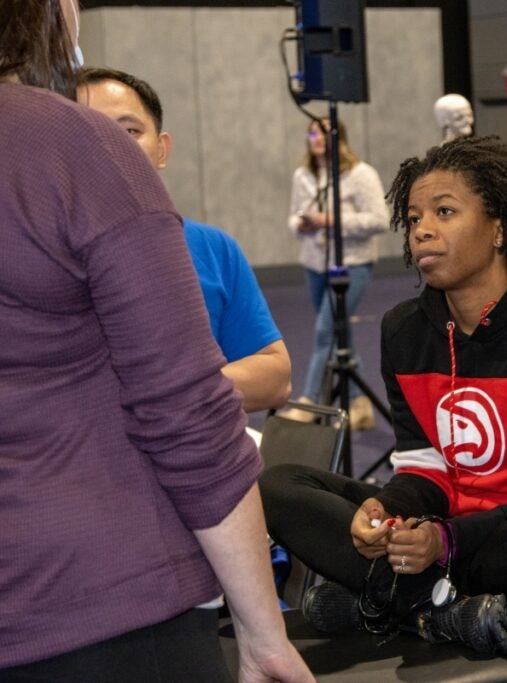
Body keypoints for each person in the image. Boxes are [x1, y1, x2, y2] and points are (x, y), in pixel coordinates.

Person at [0, 1, 312, 680]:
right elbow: (186, 412)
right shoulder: (73, 148)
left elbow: (265, 372)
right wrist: (263, 630)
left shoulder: (212, 248)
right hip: (91, 604)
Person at [260, 135, 507, 655]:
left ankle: (394, 598)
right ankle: (440, 610)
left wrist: (446, 544)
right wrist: (384, 509)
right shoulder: (405, 330)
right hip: (450, 536)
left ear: (499, 228)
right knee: (277, 484)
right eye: (415, 217)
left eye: (444, 212)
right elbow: (425, 468)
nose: (422, 229)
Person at [76, 67, 291, 414]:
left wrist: (166, 389)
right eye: (87, 133)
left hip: (201, 456)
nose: (111, 149)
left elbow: (274, 377)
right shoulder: (33, 258)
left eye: (129, 131)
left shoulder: (212, 248)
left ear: (162, 150)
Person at [280, 117, 388, 430]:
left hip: (353, 263)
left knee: (325, 331)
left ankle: (309, 401)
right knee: (340, 332)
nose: (316, 137)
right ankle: (359, 404)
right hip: (315, 263)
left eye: (324, 132)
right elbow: (292, 216)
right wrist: (301, 223)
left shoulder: (361, 174)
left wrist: (330, 220)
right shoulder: (303, 175)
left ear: (340, 137)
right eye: (312, 132)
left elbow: (379, 220)